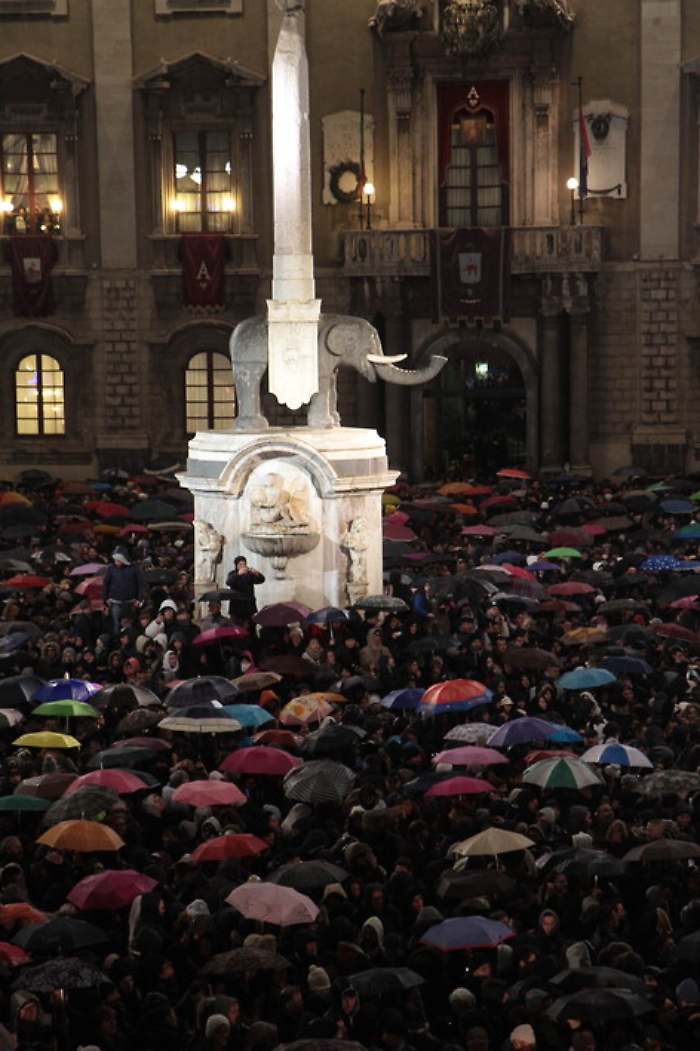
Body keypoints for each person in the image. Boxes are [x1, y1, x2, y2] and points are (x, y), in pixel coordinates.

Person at [102, 547, 144, 641]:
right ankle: (117, 641)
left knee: (130, 624)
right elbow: (106, 584)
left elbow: (140, 584)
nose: (116, 562)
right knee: (116, 624)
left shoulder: (134, 568)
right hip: (115, 601)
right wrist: (105, 598)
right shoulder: (111, 568)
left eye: (118, 560)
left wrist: (139, 599)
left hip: (131, 601)